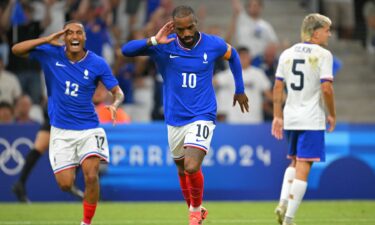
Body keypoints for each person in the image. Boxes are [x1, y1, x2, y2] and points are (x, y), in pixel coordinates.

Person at [122, 5, 249, 225]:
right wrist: (153, 40)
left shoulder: (213, 44)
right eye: (181, 30)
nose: (187, 33)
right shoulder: (164, 46)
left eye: (190, 27)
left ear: (196, 24)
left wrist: (239, 88)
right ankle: (195, 210)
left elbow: (234, 55)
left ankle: (194, 213)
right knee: (181, 169)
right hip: (174, 118)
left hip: (202, 114)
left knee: (191, 165)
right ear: (174, 28)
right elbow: (126, 50)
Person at [12, 20, 124, 225]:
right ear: (64, 36)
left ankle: (86, 222)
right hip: (61, 131)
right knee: (64, 185)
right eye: (69, 32)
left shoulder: (97, 62)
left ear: (84, 37)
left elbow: (118, 91)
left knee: (91, 175)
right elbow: (16, 50)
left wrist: (115, 104)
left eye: (78, 33)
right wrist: (46, 39)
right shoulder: (49, 53)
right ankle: (72, 188)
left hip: (89, 128)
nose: (74, 36)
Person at [272, 13, 336, 225]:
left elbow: (278, 87)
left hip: (290, 116)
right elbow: (326, 88)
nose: (329, 34)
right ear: (315, 32)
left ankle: (282, 202)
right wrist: (332, 113)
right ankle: (289, 219)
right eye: (326, 30)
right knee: (304, 164)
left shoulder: (286, 54)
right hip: (311, 118)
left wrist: (277, 116)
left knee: (293, 161)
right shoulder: (323, 54)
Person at [12, 104, 84, 203]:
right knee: (39, 148)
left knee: (38, 149)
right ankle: (20, 184)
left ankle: (20, 183)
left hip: (61, 113)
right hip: (63, 114)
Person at [215, 46, 272, 123]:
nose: (243, 59)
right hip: (234, 121)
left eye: (245, 56)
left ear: (250, 57)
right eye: (241, 57)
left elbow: (269, 94)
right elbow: (212, 82)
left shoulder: (258, 74)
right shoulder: (229, 73)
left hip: (255, 120)